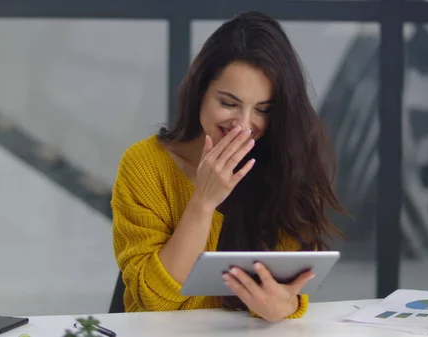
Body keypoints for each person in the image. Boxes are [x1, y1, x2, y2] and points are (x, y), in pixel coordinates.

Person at [111, 10, 347, 322]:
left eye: (262, 110)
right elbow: (153, 300)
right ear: (200, 93)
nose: (244, 126)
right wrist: (204, 201)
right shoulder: (144, 165)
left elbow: (290, 287)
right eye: (229, 104)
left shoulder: (285, 165)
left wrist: (284, 307)